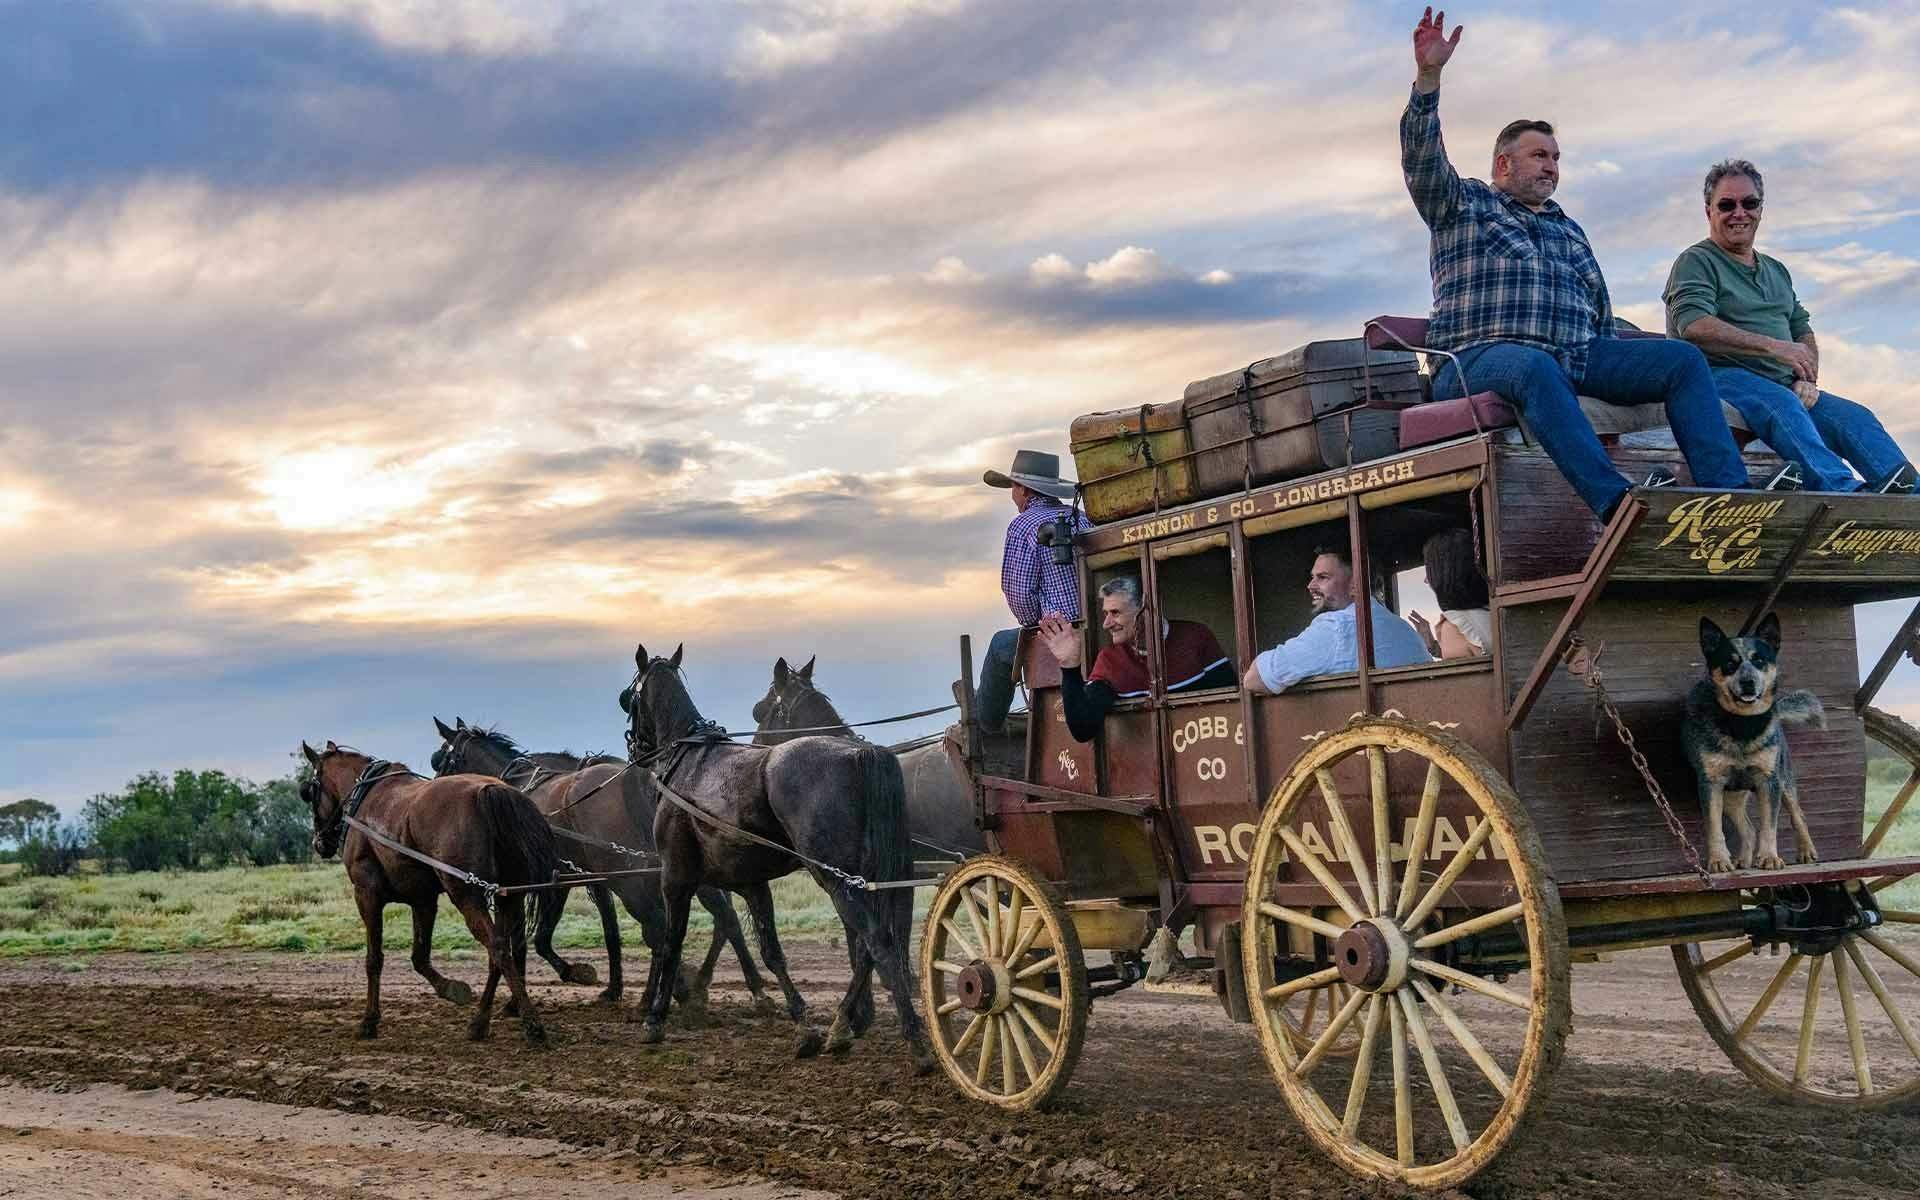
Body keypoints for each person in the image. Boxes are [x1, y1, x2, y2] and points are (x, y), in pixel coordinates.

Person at [1401, 7, 1750, 521]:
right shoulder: (1464, 205)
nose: (1552, 166)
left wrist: (1630, 357)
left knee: (1682, 361)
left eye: (1557, 157)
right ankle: (1615, 503)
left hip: (1575, 354)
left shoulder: (1568, 229)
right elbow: (1422, 162)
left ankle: (1733, 501)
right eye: (1540, 155)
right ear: (1503, 164)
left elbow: (1600, 316)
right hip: (1475, 358)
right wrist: (1428, 80)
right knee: (1534, 367)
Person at [1664, 158, 1916, 495]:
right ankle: (1843, 492)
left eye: (1749, 203)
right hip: (1718, 376)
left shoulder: (1776, 270)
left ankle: (1910, 500)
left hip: (1784, 383)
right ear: (1709, 211)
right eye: (1727, 204)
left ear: (1761, 209)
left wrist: (1806, 377)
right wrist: (1775, 347)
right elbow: (1693, 325)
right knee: (1779, 404)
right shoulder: (1696, 261)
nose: (1739, 213)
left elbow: (1801, 328)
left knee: (1856, 418)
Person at [975, 450, 1092, 735]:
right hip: (1097, 627)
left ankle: (986, 723)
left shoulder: (1022, 525)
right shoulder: (1083, 517)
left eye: (1013, 487)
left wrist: (1033, 625)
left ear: (1024, 489)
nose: (1012, 494)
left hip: (1063, 632)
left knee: (1001, 645)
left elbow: (1019, 595)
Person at [1036, 577, 1235, 743]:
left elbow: (1232, 702)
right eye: (1105, 614)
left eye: (1115, 613)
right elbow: (1083, 729)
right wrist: (1069, 667)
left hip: (1206, 752)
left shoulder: (1196, 637)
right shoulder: (1110, 660)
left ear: (1146, 610)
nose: (1106, 624)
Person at [1243, 546, 1432, 695]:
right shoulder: (1404, 628)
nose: (1311, 586)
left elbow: (1255, 679)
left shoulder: (1336, 627)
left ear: (1354, 584)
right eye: (1312, 578)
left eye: (1323, 577)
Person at [1408, 528, 1490, 658]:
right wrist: (1433, 646)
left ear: (1444, 574)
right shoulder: (1489, 613)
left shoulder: (1454, 628)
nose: (1426, 579)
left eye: (1430, 570)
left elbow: (1461, 677)